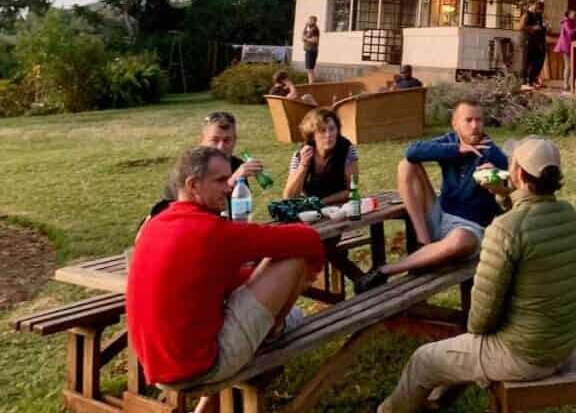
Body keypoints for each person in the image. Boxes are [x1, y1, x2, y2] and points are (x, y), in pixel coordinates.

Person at [376, 137, 576, 413]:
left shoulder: (504, 229)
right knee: (453, 353)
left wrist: (476, 334)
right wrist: (504, 195)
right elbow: (531, 217)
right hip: (559, 344)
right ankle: (435, 402)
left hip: (523, 354)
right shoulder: (568, 215)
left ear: (517, 173)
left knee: (423, 360)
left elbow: (481, 317)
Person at [127, 146, 324, 406]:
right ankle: (274, 331)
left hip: (159, 365)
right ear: (192, 184)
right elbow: (307, 239)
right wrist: (311, 271)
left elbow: (216, 280)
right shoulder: (210, 230)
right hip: (199, 368)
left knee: (275, 263)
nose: (230, 186)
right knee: (294, 258)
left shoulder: (157, 224)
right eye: (220, 180)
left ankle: (277, 325)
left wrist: (261, 277)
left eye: (230, 178)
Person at [356, 99, 509, 293]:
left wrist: (497, 181)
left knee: (461, 241)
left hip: (469, 229)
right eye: (468, 120)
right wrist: (456, 151)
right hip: (440, 215)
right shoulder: (450, 142)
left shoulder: (492, 153)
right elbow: (412, 151)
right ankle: (424, 243)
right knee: (406, 165)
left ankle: (385, 270)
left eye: (479, 120)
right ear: (455, 124)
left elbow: (512, 188)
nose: (475, 126)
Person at [283, 108, 358, 205]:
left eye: (332, 129)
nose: (328, 135)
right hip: (309, 207)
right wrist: (303, 165)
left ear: (337, 130)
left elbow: (352, 190)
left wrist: (321, 202)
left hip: (339, 205)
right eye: (322, 130)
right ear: (312, 135)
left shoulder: (347, 150)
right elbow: (288, 197)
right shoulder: (300, 154)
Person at [519, 0, 548, 90]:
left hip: (537, 41)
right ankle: (524, 81)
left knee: (538, 60)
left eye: (539, 5)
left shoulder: (538, 15)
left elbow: (541, 27)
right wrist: (533, 28)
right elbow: (521, 27)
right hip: (528, 40)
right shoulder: (526, 15)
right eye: (536, 5)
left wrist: (545, 27)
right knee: (526, 60)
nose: (538, 7)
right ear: (531, 5)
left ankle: (531, 80)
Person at [553, 8, 576, 91]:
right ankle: (566, 84)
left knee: (571, 65)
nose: (575, 15)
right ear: (568, 15)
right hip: (566, 45)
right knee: (568, 65)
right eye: (573, 14)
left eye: (575, 14)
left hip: (570, 44)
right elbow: (570, 32)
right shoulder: (566, 22)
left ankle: (569, 83)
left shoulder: (573, 22)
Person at [302, 16, 320, 83]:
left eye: (309, 20)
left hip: (311, 50)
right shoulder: (310, 30)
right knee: (310, 69)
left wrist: (306, 39)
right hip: (309, 50)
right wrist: (305, 26)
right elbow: (303, 36)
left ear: (313, 21)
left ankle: (311, 84)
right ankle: (312, 83)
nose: (308, 21)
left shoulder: (315, 29)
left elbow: (315, 40)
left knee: (310, 69)